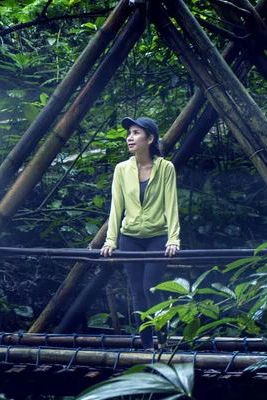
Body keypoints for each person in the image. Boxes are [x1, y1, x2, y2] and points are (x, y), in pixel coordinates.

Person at [100, 116, 180, 350]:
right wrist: (111, 240)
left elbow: (171, 205)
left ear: (150, 138)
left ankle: (163, 340)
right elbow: (116, 207)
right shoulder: (122, 169)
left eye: (136, 133)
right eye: (129, 133)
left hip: (158, 236)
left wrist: (173, 238)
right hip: (130, 237)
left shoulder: (166, 168)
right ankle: (147, 346)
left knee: (151, 288)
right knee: (137, 292)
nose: (130, 137)